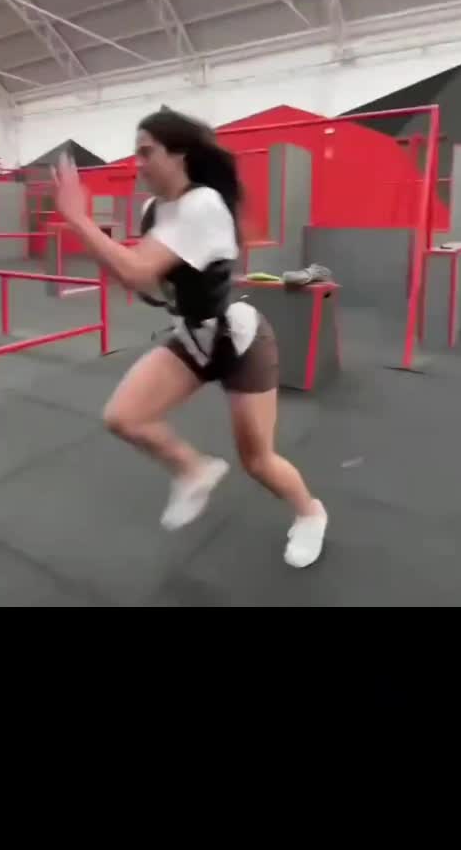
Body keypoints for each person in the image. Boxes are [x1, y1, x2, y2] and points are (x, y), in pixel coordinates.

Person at [52, 110, 327, 569]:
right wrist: (140, 277)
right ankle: (193, 469)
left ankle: (311, 513)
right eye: (136, 153)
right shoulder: (153, 210)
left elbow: (137, 270)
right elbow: (144, 278)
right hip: (194, 336)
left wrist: (79, 220)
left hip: (239, 340)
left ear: (179, 154)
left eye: (147, 152)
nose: (138, 163)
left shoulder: (203, 204)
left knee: (257, 460)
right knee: (124, 417)